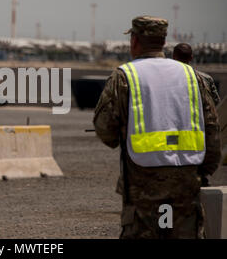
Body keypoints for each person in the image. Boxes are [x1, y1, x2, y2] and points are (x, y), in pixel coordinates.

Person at [94, 16, 221, 239]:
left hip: (143, 193)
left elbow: (106, 131)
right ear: (162, 42)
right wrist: (201, 172)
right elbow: (212, 130)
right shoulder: (193, 77)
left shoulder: (125, 76)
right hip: (186, 189)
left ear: (134, 41)